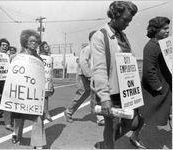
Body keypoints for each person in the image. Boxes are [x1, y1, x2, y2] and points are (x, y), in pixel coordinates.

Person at [91, 1, 144, 149]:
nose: (128, 23)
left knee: (133, 122)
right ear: (115, 15)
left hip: (128, 91)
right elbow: (100, 69)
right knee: (112, 125)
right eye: (125, 19)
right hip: (112, 91)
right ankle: (108, 146)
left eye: (130, 20)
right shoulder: (100, 36)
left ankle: (105, 144)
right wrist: (104, 97)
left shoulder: (123, 36)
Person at [130, 16, 172, 148]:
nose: (168, 31)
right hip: (156, 89)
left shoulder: (163, 44)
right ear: (156, 30)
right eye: (164, 29)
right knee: (144, 114)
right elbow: (148, 70)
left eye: (168, 28)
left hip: (167, 86)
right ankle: (134, 136)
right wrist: (158, 87)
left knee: (168, 113)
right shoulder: (151, 47)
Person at [11, 29, 46, 149]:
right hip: (20, 92)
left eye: (36, 42)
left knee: (38, 117)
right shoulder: (17, 57)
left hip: (33, 94)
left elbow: (41, 78)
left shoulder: (39, 59)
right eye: (31, 41)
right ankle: (16, 134)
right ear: (25, 42)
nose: (34, 44)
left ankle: (38, 143)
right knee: (18, 116)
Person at [64, 30, 104, 124]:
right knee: (83, 94)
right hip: (85, 75)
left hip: (94, 76)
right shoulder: (88, 48)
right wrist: (89, 75)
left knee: (97, 95)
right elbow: (83, 62)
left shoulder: (97, 49)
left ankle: (100, 117)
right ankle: (69, 111)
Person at [39, 41, 54, 122]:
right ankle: (44, 113)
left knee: (46, 96)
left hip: (48, 81)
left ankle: (46, 113)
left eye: (47, 46)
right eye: (45, 46)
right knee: (41, 97)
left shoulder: (50, 58)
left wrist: (52, 82)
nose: (47, 47)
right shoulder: (39, 57)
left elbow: (51, 70)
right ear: (41, 48)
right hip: (40, 80)